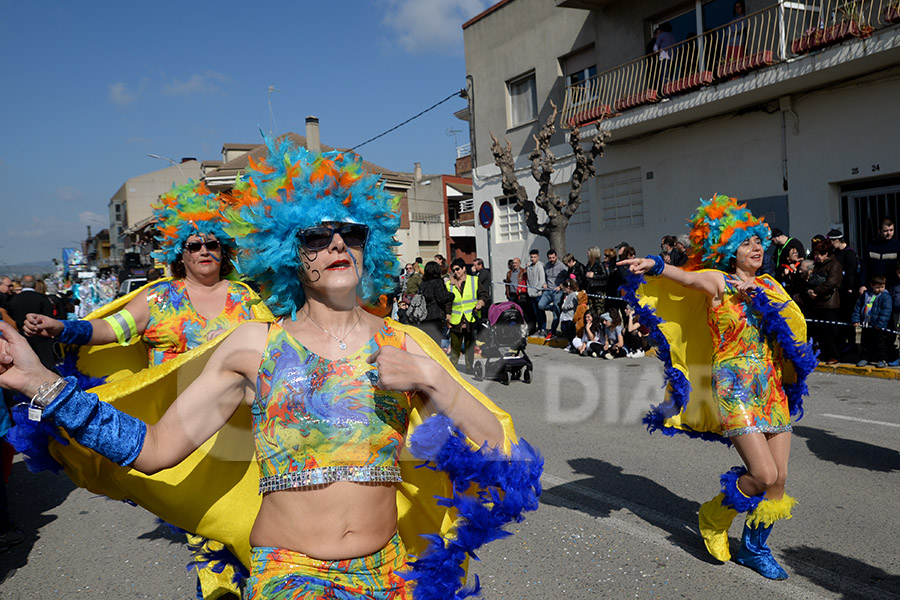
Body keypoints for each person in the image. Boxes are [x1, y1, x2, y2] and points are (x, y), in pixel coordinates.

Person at [1, 143, 539, 598]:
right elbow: (157, 450)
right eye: (315, 236)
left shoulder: (406, 344)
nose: (335, 244)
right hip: (289, 574)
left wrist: (434, 378)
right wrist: (46, 387)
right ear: (288, 251)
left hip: (390, 573)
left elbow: (501, 452)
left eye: (349, 234)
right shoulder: (253, 345)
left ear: (365, 248)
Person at [22, 180, 270, 598]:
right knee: (203, 524)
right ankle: (216, 589)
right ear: (180, 253)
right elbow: (111, 330)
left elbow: (275, 350)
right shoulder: (158, 299)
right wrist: (63, 327)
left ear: (224, 250)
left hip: (238, 430)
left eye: (212, 243)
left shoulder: (246, 299)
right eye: (194, 245)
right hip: (182, 428)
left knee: (247, 515)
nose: (204, 250)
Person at [619, 194, 816, 581]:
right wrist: (656, 264)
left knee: (779, 479)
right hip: (733, 385)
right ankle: (714, 515)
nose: (756, 248)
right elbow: (686, 278)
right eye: (745, 242)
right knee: (760, 473)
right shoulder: (718, 282)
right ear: (728, 249)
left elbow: (793, 327)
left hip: (770, 383)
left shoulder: (771, 285)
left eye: (758, 240)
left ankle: (755, 549)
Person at [801, 240, 842, 365]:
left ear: (827, 253)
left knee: (830, 331)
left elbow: (831, 283)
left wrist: (816, 291)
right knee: (819, 332)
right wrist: (808, 291)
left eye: (820, 253)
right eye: (816, 253)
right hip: (816, 303)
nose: (817, 256)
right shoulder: (817, 265)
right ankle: (822, 353)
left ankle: (833, 355)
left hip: (829, 302)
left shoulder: (834, 265)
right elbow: (810, 280)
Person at [447, 257, 488, 373]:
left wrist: (481, 302)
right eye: (454, 270)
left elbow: (484, 294)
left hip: (471, 318)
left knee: (470, 346)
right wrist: (447, 316)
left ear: (464, 268)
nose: (456, 272)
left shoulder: (474, 280)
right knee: (455, 347)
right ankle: (452, 370)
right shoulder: (450, 284)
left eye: (458, 269)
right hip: (456, 320)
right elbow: (447, 302)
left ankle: (469, 368)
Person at [7, 275, 56, 370]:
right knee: (46, 366)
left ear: (22, 284)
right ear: (34, 285)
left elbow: (10, 318)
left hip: (21, 336)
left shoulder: (13, 300)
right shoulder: (43, 298)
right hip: (42, 337)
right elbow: (49, 318)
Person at [828, 228, 859, 354]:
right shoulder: (836, 253)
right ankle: (842, 342)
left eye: (831, 241)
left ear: (837, 240)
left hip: (848, 291)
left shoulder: (849, 253)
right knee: (840, 318)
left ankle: (851, 344)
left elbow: (851, 273)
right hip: (839, 291)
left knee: (848, 318)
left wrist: (850, 289)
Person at [852, 275, 892, 368]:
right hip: (866, 323)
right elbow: (858, 307)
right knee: (865, 342)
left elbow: (886, 311)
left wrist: (880, 324)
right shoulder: (866, 295)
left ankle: (882, 359)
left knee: (879, 343)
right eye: (877, 287)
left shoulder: (885, 296)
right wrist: (856, 320)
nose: (880, 289)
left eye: (882, 287)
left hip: (877, 325)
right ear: (871, 285)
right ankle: (865, 358)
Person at [415, 261, 453, 345]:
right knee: (435, 343)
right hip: (436, 316)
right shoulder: (438, 282)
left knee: (426, 344)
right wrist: (452, 295)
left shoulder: (423, 283)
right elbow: (441, 298)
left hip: (423, 316)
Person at [860, 218, 900, 293]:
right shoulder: (871, 247)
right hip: (874, 286)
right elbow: (864, 266)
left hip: (892, 286)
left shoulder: (897, 246)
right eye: (885, 231)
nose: (889, 233)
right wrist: (862, 285)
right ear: (879, 231)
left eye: (891, 230)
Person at [539, 250, 567, 340]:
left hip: (557, 292)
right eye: (550, 258)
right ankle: (552, 308)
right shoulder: (547, 265)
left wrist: (561, 286)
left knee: (556, 314)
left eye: (553, 258)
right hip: (548, 291)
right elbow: (545, 277)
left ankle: (553, 331)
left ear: (556, 256)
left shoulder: (562, 266)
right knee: (540, 305)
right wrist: (544, 283)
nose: (551, 259)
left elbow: (568, 278)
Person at [525, 249, 546, 335]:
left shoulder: (540, 266)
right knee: (536, 313)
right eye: (531, 257)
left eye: (534, 257)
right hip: (531, 294)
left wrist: (537, 290)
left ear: (538, 257)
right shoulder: (529, 267)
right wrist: (529, 291)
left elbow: (542, 280)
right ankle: (539, 329)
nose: (533, 259)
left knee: (541, 312)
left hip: (538, 294)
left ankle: (543, 329)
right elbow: (528, 280)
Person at [584, 246, 608, 316]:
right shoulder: (589, 264)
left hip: (598, 291)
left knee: (599, 311)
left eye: (589, 252)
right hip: (590, 290)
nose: (587, 254)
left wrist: (594, 275)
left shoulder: (599, 264)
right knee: (592, 311)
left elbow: (604, 276)